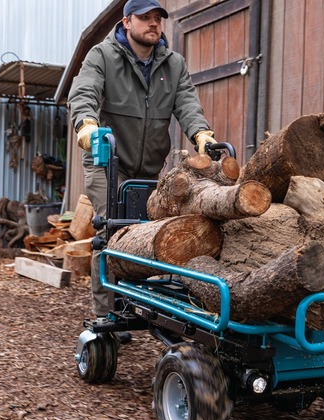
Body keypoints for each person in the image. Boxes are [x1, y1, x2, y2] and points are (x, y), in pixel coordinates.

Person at [68, 0, 216, 342]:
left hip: (150, 167)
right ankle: (106, 313)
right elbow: (84, 92)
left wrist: (201, 134)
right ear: (127, 21)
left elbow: (187, 102)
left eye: (157, 19)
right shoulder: (102, 56)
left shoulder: (173, 63)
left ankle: (141, 301)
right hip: (107, 161)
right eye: (145, 18)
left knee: (152, 234)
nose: (153, 24)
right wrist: (87, 126)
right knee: (113, 231)